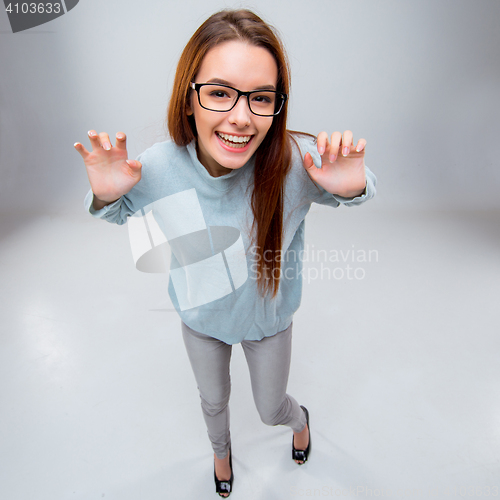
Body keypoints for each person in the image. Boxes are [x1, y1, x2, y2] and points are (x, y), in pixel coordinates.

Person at [74, 9, 376, 498]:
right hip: (201, 319)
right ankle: (221, 453)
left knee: (270, 408)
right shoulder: (157, 166)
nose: (240, 117)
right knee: (213, 402)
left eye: (261, 98)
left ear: (277, 104)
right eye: (219, 92)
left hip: (267, 321)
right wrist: (108, 195)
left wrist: (352, 186)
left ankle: (299, 422)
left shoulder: (294, 164)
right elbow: (115, 211)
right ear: (189, 98)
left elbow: (356, 186)